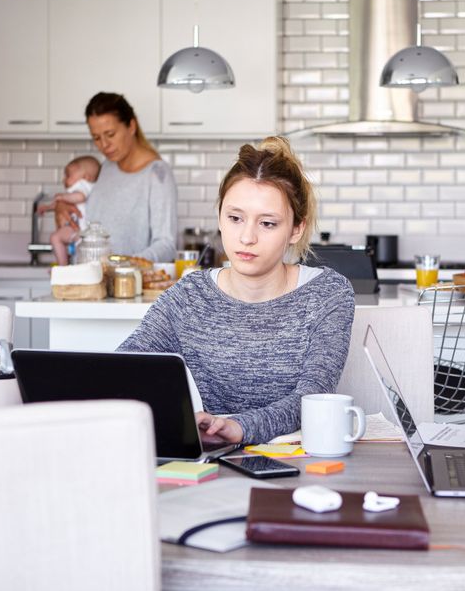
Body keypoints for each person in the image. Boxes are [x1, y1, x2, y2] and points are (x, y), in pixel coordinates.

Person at [117, 136, 356, 445]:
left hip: (302, 465)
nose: (246, 237)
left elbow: (313, 397)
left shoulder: (328, 294)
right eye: (235, 218)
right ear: (220, 217)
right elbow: (125, 367)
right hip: (210, 462)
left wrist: (239, 427)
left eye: (267, 224)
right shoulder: (190, 296)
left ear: (296, 229)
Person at [54, 92, 177, 262]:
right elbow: (86, 214)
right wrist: (63, 205)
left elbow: (166, 245)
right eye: (96, 138)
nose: (104, 145)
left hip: (126, 285)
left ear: (131, 126)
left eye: (110, 134)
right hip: (88, 281)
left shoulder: (157, 174)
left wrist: (123, 265)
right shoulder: (105, 167)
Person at [38, 155, 101, 265]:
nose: (64, 179)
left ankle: (62, 266)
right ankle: (65, 266)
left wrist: (62, 197)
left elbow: (80, 197)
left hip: (81, 230)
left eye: (68, 175)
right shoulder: (82, 187)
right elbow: (66, 203)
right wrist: (48, 207)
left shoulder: (83, 185)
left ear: (85, 177)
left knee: (55, 237)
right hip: (80, 230)